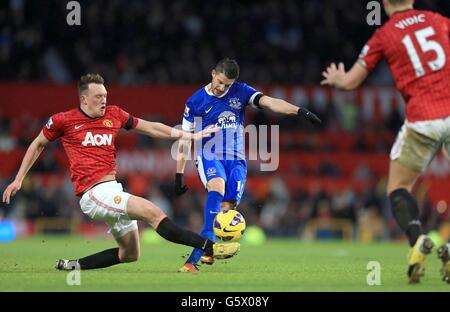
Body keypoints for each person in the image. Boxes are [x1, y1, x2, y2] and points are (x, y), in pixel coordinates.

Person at [2, 73, 240, 271]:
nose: (103, 100)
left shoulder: (114, 114)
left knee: (129, 253)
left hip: (112, 189)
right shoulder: (64, 120)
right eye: (98, 97)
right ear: (84, 99)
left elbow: (150, 127)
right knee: (153, 212)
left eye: (105, 95)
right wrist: (19, 179)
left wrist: (187, 135)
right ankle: (211, 247)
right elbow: (38, 144)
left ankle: (72, 265)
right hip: (93, 194)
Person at [320, 0, 450, 283]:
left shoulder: (385, 34)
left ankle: (417, 240)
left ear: (384, 3)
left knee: (399, 186)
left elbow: (352, 82)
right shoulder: (439, 20)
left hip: (422, 119)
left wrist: (338, 78)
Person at [174, 58, 321, 272]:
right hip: (209, 154)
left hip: (236, 160)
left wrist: (299, 111)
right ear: (213, 73)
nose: (222, 87)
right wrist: (179, 174)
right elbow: (185, 138)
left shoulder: (241, 92)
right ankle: (192, 261)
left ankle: (208, 252)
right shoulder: (195, 101)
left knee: (225, 211)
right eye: (220, 81)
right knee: (217, 188)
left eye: (227, 84)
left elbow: (270, 102)